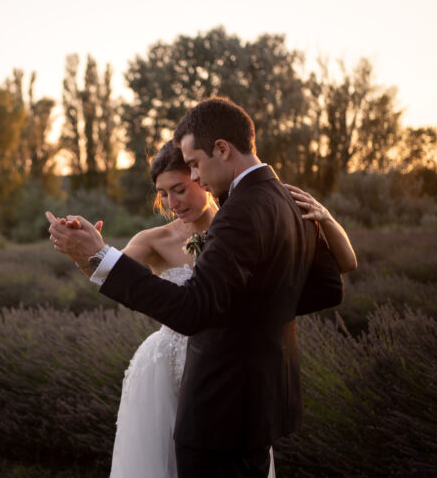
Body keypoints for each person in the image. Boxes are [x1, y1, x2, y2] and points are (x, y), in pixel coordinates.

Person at [46, 97, 346, 478]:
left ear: (221, 149)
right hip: (265, 401)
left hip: (221, 407)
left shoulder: (238, 211)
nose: (197, 177)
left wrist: (99, 256)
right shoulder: (290, 198)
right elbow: (326, 289)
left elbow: (192, 311)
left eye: (193, 165)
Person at [104, 142, 356, 478]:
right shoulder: (154, 239)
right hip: (168, 365)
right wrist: (91, 252)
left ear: (201, 179)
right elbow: (114, 274)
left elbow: (343, 267)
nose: (172, 203)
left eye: (179, 189)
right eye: (163, 194)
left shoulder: (243, 223)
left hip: (235, 369)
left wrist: (327, 219)